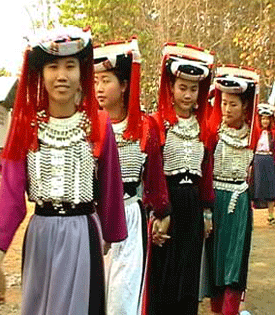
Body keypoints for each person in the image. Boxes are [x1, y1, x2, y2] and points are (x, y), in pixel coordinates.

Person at [0, 26, 127, 315]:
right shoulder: (26, 126)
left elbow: (110, 184)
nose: (61, 75)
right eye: (53, 66)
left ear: (82, 72)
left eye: (70, 66)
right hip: (41, 237)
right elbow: (9, 194)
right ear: (40, 74)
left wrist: (112, 231)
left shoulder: (98, 124)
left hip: (83, 232)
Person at [93, 38, 171, 315]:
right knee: (94, 295)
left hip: (130, 217)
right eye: (95, 81)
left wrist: (163, 213)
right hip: (93, 220)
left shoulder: (145, 127)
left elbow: (154, 178)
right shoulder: (88, 127)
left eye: (106, 81)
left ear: (125, 84)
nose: (99, 88)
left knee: (122, 298)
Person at [142, 43, 215, 315]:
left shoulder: (205, 127)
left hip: (193, 205)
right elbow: (153, 171)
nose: (187, 94)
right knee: (164, 272)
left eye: (193, 89)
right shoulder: (157, 123)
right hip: (167, 202)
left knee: (188, 271)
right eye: (182, 87)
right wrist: (160, 211)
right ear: (171, 87)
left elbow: (206, 173)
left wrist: (207, 212)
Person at [207, 65, 259, 315]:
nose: (227, 109)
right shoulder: (213, 133)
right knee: (215, 262)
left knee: (234, 264)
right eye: (224, 103)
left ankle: (232, 311)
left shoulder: (253, 137)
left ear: (245, 107)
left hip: (238, 205)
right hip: (216, 201)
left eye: (233, 104)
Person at [250, 102, 275, 225]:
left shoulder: (273, 134)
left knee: (271, 189)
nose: (265, 121)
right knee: (255, 187)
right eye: (263, 119)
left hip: (269, 160)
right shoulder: (256, 133)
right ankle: (250, 216)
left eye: (267, 119)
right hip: (258, 160)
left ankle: (271, 215)